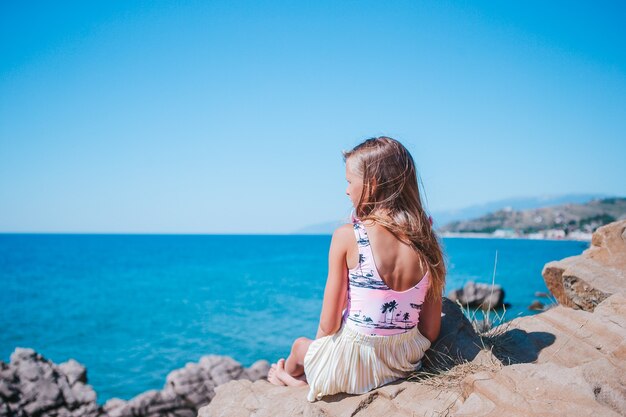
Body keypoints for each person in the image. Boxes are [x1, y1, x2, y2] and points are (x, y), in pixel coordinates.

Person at [267, 136, 446, 402]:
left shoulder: (348, 236)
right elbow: (430, 331)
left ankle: (290, 378)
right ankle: (307, 380)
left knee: (300, 347)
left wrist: (321, 356)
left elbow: (328, 325)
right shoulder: (426, 241)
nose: (346, 191)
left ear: (371, 185)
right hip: (403, 362)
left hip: (355, 364)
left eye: (349, 182)